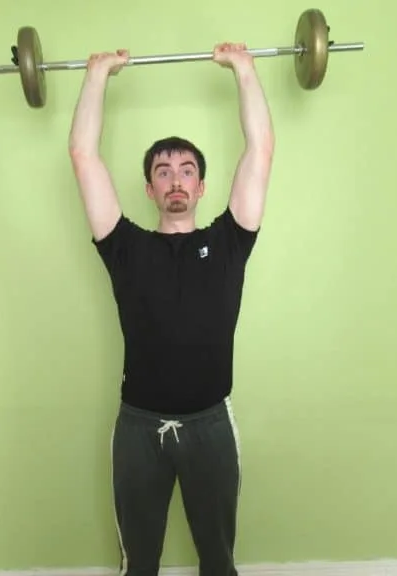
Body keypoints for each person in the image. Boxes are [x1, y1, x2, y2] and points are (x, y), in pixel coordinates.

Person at [68, 43, 274, 576]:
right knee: (139, 565)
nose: (176, 179)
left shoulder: (232, 242)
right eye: (163, 171)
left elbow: (261, 150)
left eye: (186, 170)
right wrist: (97, 77)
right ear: (149, 188)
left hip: (210, 425)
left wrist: (245, 71)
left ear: (202, 186)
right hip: (138, 429)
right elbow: (84, 157)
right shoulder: (124, 245)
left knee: (219, 561)